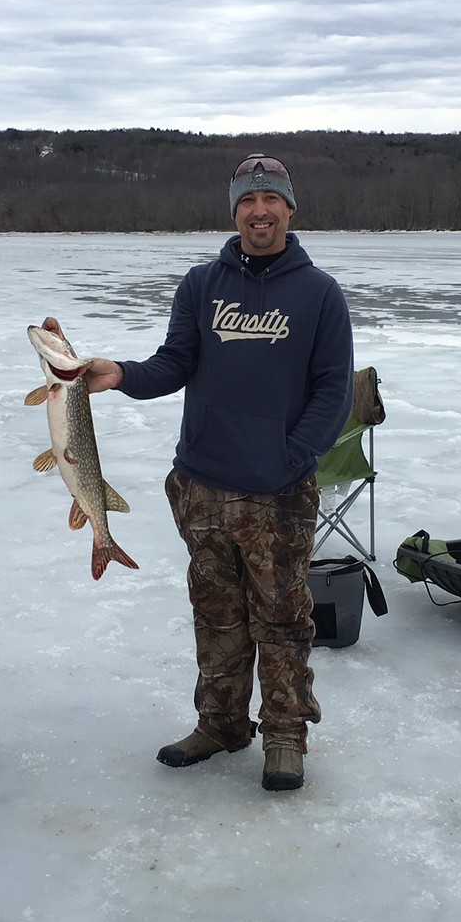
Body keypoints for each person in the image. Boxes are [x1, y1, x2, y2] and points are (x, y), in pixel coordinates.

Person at [82, 154, 353, 791]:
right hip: (201, 486)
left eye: (271, 199)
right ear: (234, 211)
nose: (260, 210)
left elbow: (332, 391)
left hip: (278, 493)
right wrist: (120, 373)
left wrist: (292, 458)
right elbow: (173, 363)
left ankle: (285, 736)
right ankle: (221, 722)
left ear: (290, 208)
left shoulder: (319, 294)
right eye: (248, 200)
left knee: (282, 618)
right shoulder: (202, 285)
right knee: (216, 613)